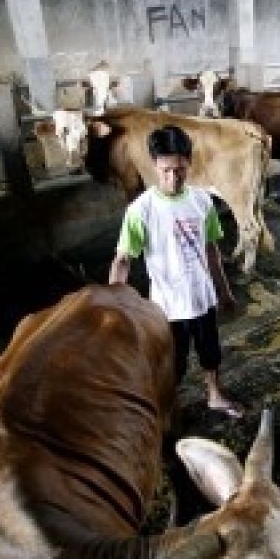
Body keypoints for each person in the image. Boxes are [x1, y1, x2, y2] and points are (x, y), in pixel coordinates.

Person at [109, 124, 244, 418]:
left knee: (211, 351)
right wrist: (116, 309)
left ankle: (214, 394)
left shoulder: (202, 201)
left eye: (180, 169)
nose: (173, 178)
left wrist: (224, 291)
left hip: (202, 297)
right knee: (173, 361)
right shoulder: (141, 210)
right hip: (168, 306)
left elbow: (211, 250)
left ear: (189, 163)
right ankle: (171, 406)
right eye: (166, 170)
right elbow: (122, 260)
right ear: (154, 165)